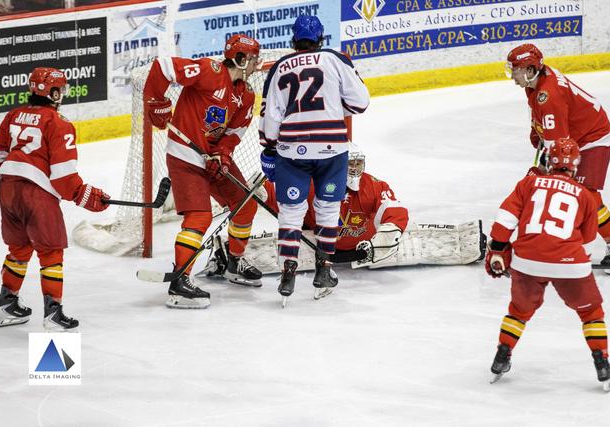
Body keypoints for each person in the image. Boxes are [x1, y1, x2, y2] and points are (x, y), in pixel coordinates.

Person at [200, 145, 484, 281]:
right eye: (350, 164)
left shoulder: (373, 186)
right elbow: (284, 199)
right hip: (316, 245)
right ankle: (228, 255)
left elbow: (395, 210)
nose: (355, 170)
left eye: (359, 164)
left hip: (364, 246)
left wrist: (386, 236)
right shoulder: (315, 184)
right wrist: (261, 191)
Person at [485, 137, 610, 391]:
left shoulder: (529, 183)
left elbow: (505, 218)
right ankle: (602, 363)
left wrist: (498, 250)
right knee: (591, 313)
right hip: (570, 264)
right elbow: (588, 240)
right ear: (576, 165)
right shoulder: (586, 195)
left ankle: (502, 356)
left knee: (519, 312)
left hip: (526, 262)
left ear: (549, 161)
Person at [144, 34, 263, 308]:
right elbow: (163, 67)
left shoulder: (246, 95)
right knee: (199, 216)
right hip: (185, 156)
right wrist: (156, 102)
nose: (257, 64)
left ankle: (233, 262)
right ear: (240, 59)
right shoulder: (210, 71)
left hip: (212, 159)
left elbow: (234, 132)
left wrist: (222, 154)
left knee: (245, 205)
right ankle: (179, 283)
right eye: (253, 59)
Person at [0, 67, 109, 331]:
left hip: (8, 190)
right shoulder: (59, 123)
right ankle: (53, 315)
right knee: (50, 252)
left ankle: (6, 307)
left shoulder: (14, 114)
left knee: (19, 248)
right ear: (52, 93)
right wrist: (86, 196)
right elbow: (64, 177)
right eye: (60, 89)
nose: (62, 93)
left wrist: (13, 176)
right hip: (36, 195)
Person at [258, 15, 370, 303]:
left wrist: (269, 148)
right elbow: (361, 103)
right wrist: (333, 106)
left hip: (292, 150)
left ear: (293, 40)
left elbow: (270, 117)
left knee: (291, 210)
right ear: (321, 39)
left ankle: (288, 272)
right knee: (328, 208)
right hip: (331, 148)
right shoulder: (335, 59)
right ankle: (324, 270)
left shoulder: (280, 67)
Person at [506, 43, 610, 273]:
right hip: (575, 135)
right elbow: (543, 117)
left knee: (587, 195)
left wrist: (540, 172)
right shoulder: (535, 83)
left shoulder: (548, 95)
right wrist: (537, 129)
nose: (512, 76)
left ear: (530, 70)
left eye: (516, 71)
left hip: (593, 138)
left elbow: (558, 149)